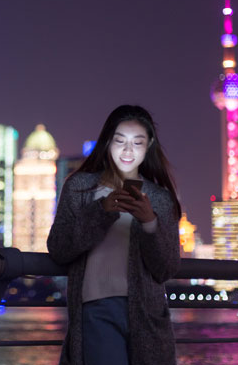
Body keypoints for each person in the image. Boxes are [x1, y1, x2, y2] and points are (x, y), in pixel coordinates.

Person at [47, 105, 181, 365]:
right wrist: (101, 211)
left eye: (137, 142)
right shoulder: (80, 188)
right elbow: (59, 248)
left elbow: (167, 267)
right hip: (96, 308)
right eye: (120, 141)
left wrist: (149, 222)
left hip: (148, 315)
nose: (128, 151)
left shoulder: (160, 199)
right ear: (107, 141)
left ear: (149, 145)